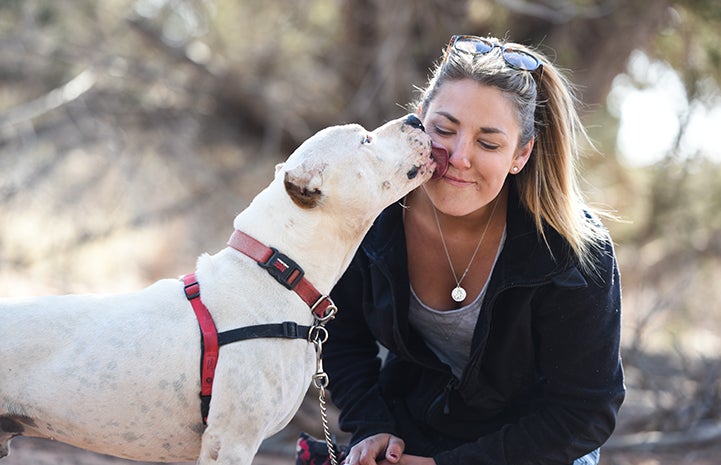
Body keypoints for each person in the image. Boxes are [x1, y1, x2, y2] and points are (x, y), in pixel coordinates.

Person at [323, 34, 625, 465]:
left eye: (488, 143)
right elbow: (342, 334)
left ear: (520, 155)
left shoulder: (574, 252)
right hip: (413, 429)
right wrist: (372, 427)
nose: (459, 156)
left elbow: (584, 412)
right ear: (419, 120)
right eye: (444, 129)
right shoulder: (374, 213)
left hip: (534, 447)